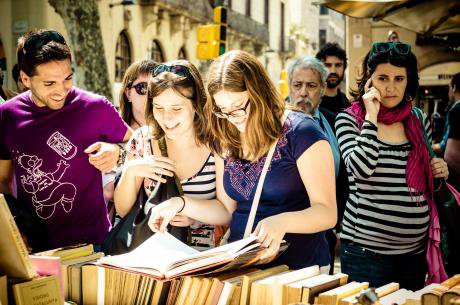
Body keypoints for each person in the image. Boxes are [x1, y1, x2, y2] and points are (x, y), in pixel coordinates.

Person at [148, 50, 337, 270]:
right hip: (242, 268)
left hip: (299, 269)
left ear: (260, 94)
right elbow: (225, 210)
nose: (232, 118)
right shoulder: (224, 132)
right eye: (222, 110)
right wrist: (180, 204)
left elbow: (327, 212)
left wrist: (282, 221)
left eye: (238, 107)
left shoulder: (302, 133)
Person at [0, 29, 131, 249]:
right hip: (36, 251)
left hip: (94, 246)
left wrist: (119, 152)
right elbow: (2, 180)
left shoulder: (95, 106)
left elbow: (139, 143)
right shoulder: (7, 116)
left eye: (67, 78)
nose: (62, 91)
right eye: (49, 84)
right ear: (25, 78)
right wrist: (14, 228)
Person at [335, 41, 449, 290]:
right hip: (365, 254)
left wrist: (439, 171)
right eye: (382, 78)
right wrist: (371, 117)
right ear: (369, 80)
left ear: (409, 81)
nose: (390, 87)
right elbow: (360, 169)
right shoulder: (349, 119)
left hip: (414, 255)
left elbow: (426, 179)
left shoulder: (418, 119)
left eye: (399, 79)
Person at [115, 60, 219, 250]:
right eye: (159, 108)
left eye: (176, 109)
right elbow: (123, 211)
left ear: (196, 105)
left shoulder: (217, 143)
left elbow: (227, 211)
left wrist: (185, 207)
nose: (167, 118)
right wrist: (131, 171)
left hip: (203, 263)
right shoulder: (142, 140)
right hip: (153, 259)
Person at [287, 56, 349, 274]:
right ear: (289, 87)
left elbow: (344, 176)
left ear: (323, 89)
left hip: (325, 230)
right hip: (285, 229)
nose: (303, 92)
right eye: (297, 85)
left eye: (311, 85)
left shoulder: (334, 122)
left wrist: (338, 220)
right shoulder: (273, 124)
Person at [119, 59, 158, 130]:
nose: (150, 94)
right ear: (128, 94)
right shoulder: (113, 134)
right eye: (143, 87)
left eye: (155, 87)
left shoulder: (173, 134)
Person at [315, 42, 350, 114]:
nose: (333, 71)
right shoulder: (313, 102)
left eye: (338, 65)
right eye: (327, 65)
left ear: (344, 68)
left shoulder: (346, 102)